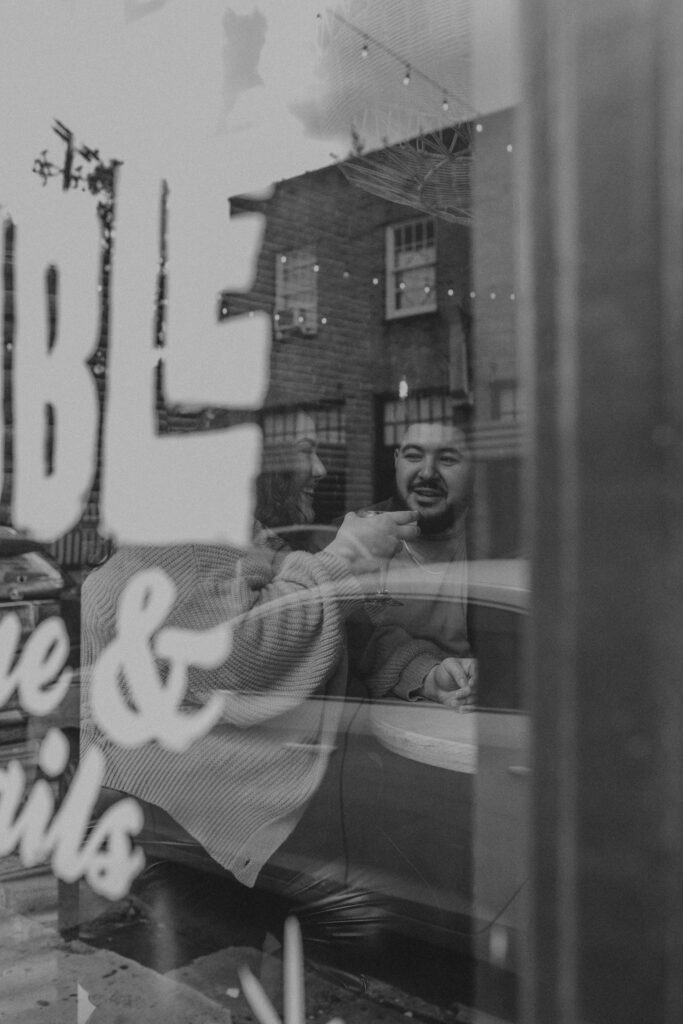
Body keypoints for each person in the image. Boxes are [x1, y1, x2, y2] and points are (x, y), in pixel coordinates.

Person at [80, 411, 420, 888]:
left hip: (239, 813)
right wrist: (346, 559)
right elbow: (238, 653)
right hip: (187, 827)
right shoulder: (172, 552)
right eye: (306, 450)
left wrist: (419, 672)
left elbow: (325, 627)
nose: (321, 470)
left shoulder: (246, 541)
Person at [349, 419, 477, 707]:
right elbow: (355, 648)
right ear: (396, 461)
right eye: (414, 456)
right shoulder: (353, 539)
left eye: (447, 459)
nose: (428, 472)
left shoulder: (504, 546)